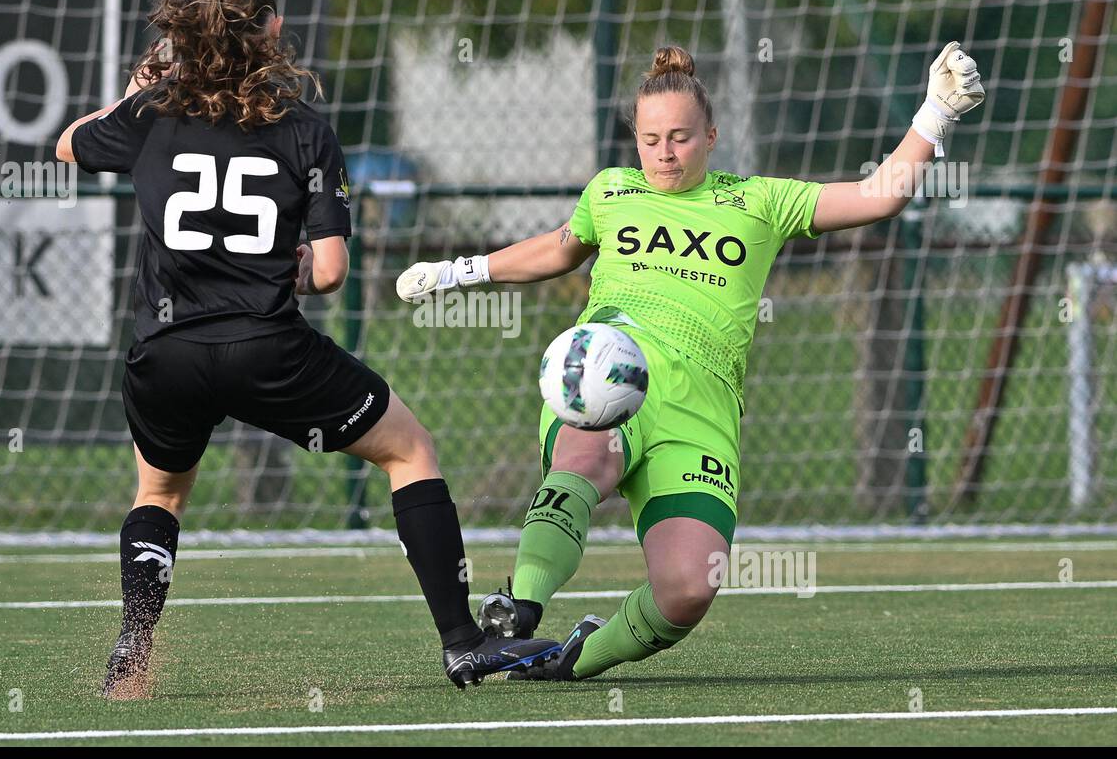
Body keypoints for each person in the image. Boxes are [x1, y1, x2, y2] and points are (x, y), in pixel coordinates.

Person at [396, 42, 984, 679]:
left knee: (688, 589)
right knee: (584, 458)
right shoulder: (611, 192)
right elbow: (560, 249)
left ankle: (568, 662)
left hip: (701, 406)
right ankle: (516, 616)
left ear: (711, 135)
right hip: (610, 365)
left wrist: (934, 114)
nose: (664, 153)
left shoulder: (760, 200)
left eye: (679, 137)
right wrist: (459, 272)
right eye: (650, 140)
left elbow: (877, 196)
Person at [55, 0, 559, 698]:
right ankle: (462, 641)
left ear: (190, 36)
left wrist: (143, 87)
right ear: (273, 33)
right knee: (409, 449)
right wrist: (281, 266)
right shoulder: (306, 133)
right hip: (267, 349)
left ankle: (133, 649)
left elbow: (68, 145)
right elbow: (328, 273)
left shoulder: (154, 113)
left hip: (166, 351)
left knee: (159, 493)